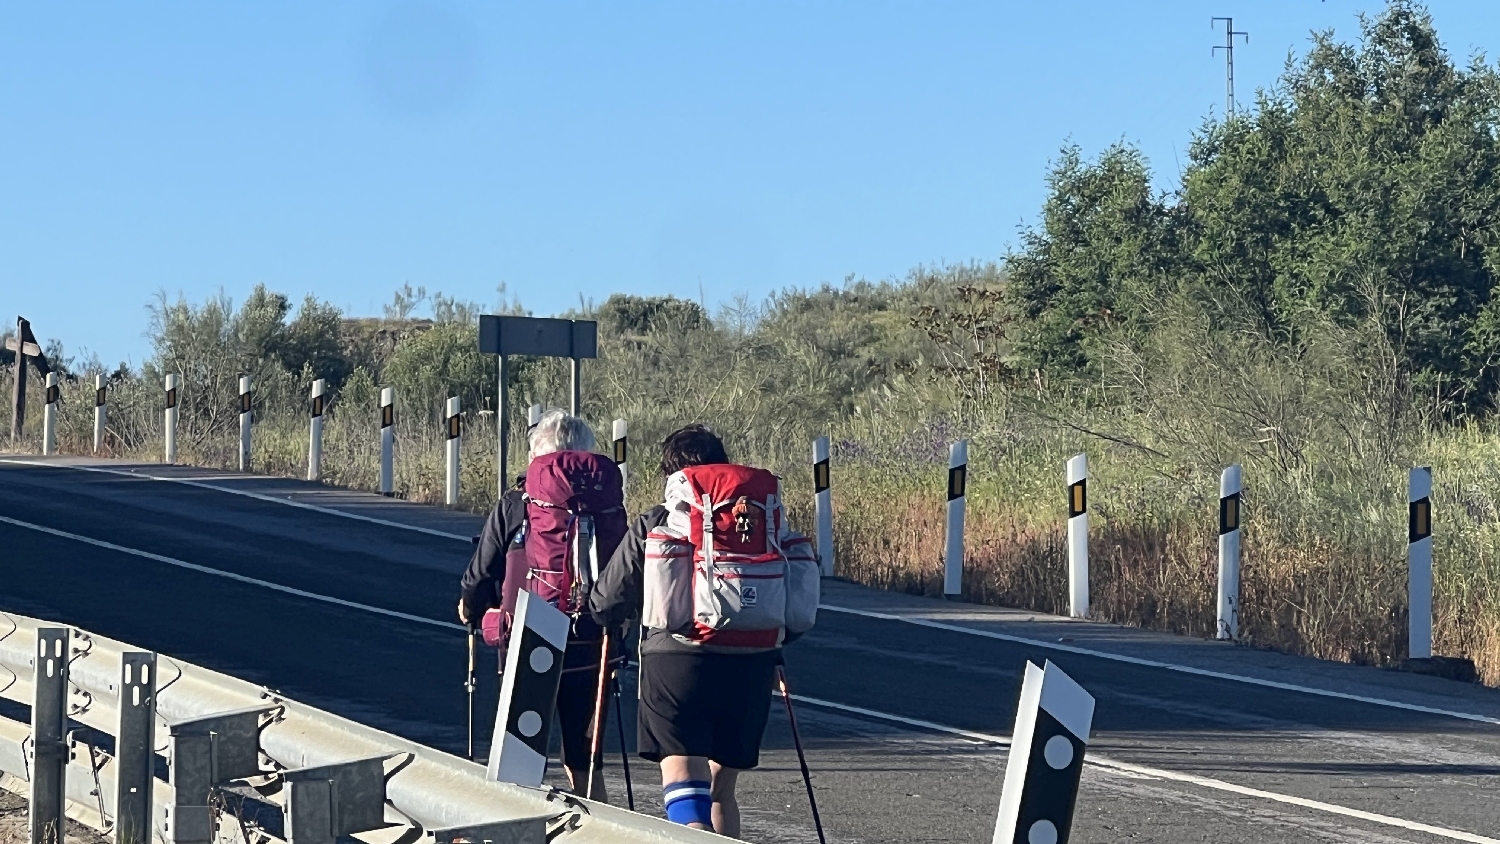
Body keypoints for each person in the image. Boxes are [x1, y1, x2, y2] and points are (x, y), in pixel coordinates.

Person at [591, 425, 812, 838]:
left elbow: (605, 600)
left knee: (682, 774)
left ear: (672, 475)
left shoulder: (660, 519)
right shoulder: (761, 518)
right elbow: (792, 597)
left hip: (677, 661)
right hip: (752, 662)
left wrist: (613, 619)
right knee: (721, 791)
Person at [458, 410, 621, 800]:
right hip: (594, 638)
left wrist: (471, 606)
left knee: (519, 755)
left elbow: (482, 570)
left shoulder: (518, 502)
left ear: (537, 457)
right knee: (584, 759)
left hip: (532, 634)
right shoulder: (607, 502)